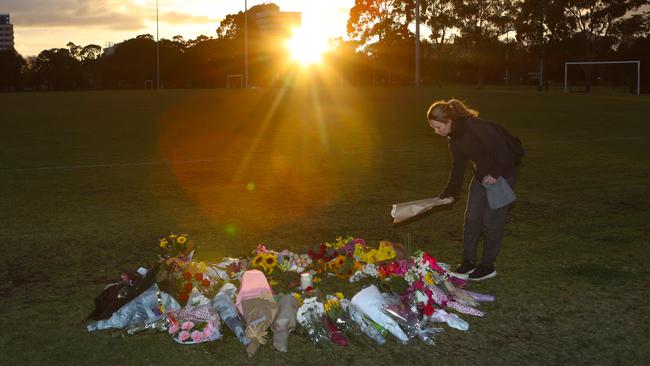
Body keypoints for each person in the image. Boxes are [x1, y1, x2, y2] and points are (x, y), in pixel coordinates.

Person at [427, 99, 518, 281]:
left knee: (491, 223)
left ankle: (487, 266)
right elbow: (458, 168)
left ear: (449, 121)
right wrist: (448, 194)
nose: (437, 132)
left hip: (501, 177)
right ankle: (468, 261)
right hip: (481, 178)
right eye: (433, 128)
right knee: (471, 219)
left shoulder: (476, 127)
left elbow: (504, 151)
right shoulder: (454, 138)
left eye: (438, 127)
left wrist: (495, 173)